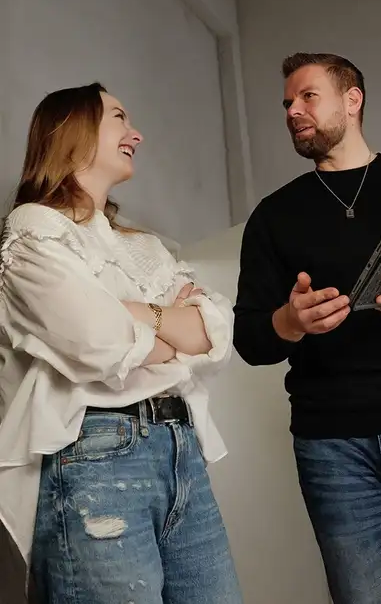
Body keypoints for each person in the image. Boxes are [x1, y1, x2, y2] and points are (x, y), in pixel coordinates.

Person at [0, 82, 243, 604]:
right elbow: (98, 343)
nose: (136, 134)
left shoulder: (144, 245)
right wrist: (171, 326)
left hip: (180, 447)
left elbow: (216, 333)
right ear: (74, 130)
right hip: (97, 453)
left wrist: (137, 315)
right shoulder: (33, 228)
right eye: (118, 117)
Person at [234, 52, 381, 604]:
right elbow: (249, 340)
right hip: (333, 448)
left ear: (353, 100)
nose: (292, 111)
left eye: (308, 96)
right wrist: (290, 321)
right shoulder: (273, 216)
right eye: (287, 102)